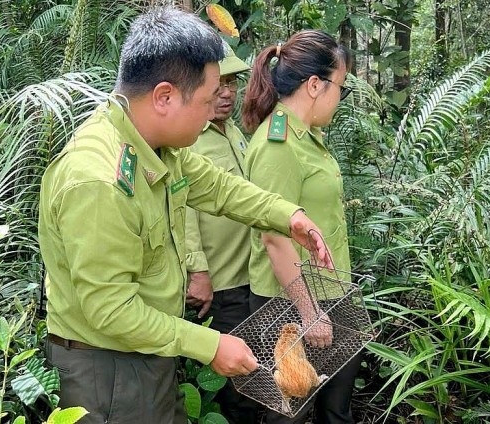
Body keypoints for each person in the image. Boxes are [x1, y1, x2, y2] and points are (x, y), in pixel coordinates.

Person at [38, 9, 333, 424]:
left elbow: (219, 188)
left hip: (148, 352)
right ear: (164, 97)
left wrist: (290, 217)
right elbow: (110, 309)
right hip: (108, 370)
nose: (218, 106)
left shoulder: (158, 148)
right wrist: (210, 345)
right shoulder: (99, 181)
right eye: (209, 98)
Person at [242, 30, 357, 424]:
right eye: (339, 86)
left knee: (335, 410)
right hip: (290, 305)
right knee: (288, 412)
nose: (340, 98)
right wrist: (309, 313)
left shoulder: (309, 139)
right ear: (314, 85)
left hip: (331, 295)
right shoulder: (279, 146)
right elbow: (274, 238)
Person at [184, 44, 259, 424]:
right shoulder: (188, 138)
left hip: (252, 274)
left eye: (232, 82)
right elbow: (183, 211)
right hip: (220, 280)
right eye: (219, 84)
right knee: (233, 383)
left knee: (253, 368)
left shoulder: (234, 132)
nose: (227, 92)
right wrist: (198, 271)